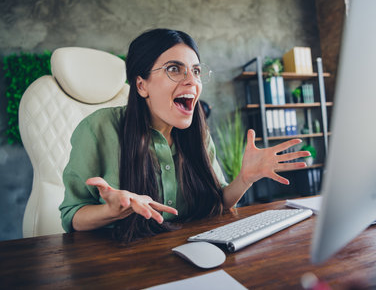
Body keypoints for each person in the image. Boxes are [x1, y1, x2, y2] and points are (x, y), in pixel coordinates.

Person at [59, 28, 310, 243]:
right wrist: (112, 211)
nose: (192, 81)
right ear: (141, 85)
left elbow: (218, 202)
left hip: (189, 251)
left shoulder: (197, 132)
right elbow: (72, 216)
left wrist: (245, 179)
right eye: (174, 69)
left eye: (196, 71)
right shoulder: (98, 127)